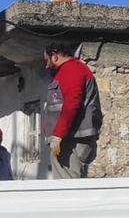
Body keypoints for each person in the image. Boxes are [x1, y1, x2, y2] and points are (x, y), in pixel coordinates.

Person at [42, 43, 103, 179]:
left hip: (72, 141)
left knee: (68, 188)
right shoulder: (73, 69)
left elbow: (72, 103)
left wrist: (58, 134)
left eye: (47, 60)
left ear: (55, 57)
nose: (46, 66)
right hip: (71, 139)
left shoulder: (71, 69)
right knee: (72, 186)